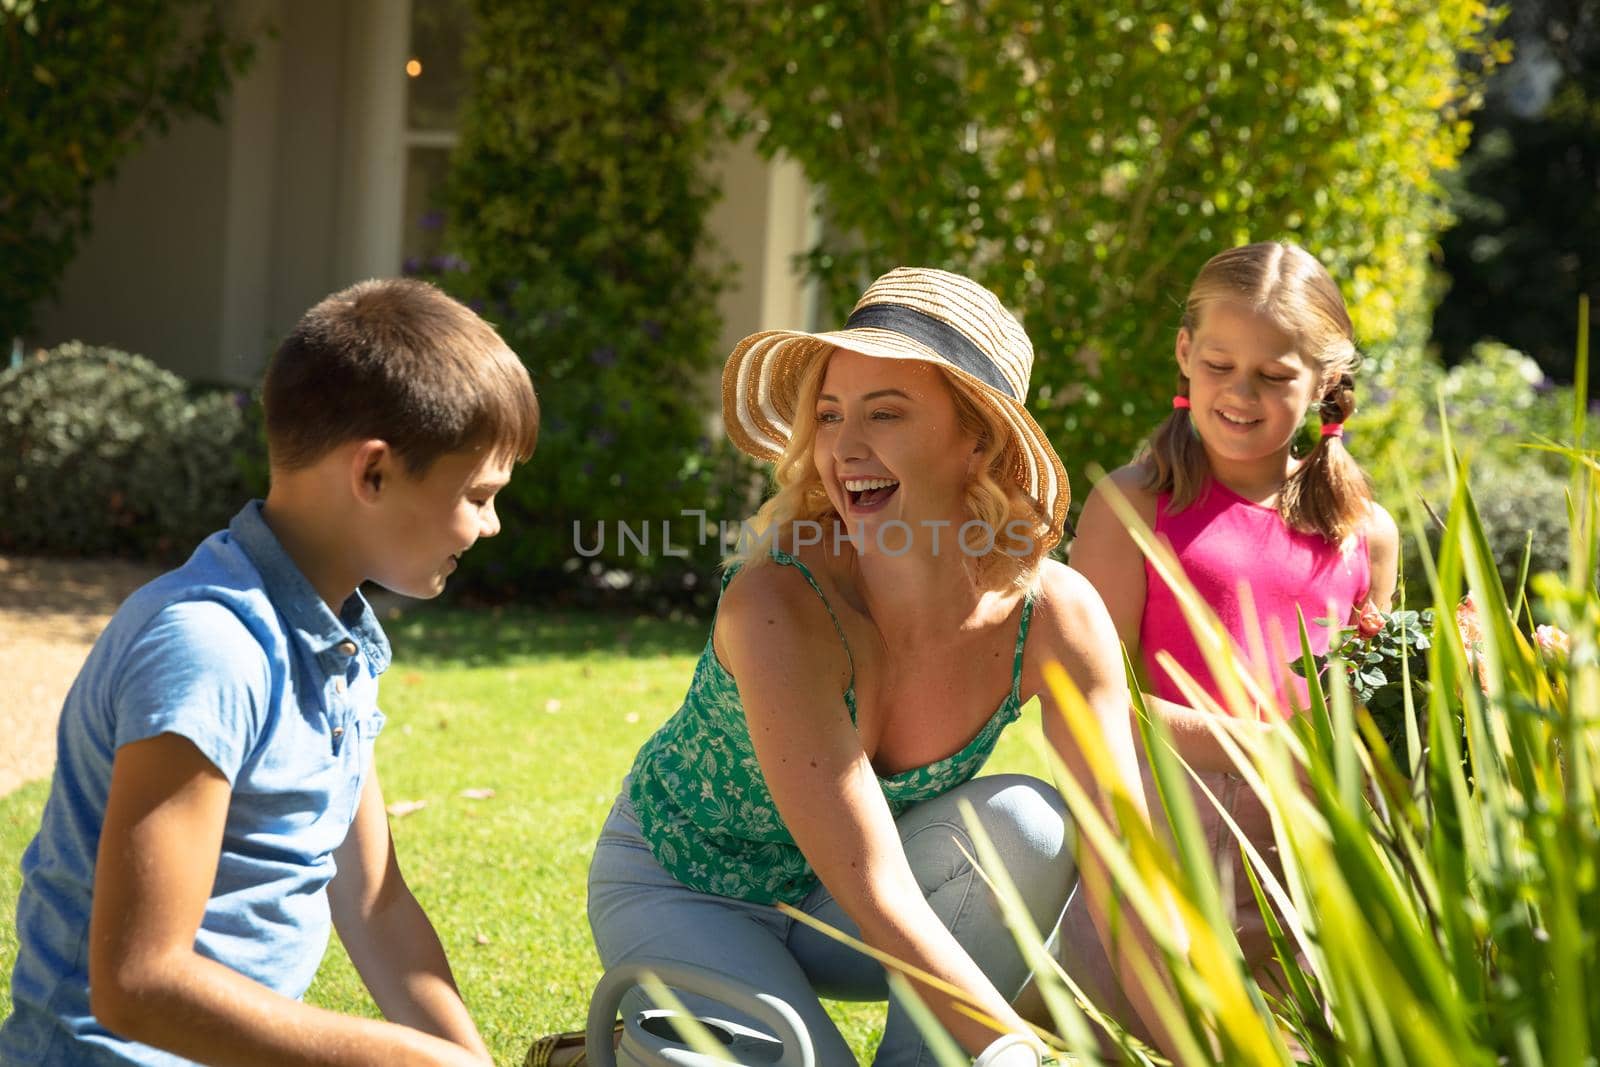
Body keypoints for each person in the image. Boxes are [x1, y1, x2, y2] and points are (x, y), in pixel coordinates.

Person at [559, 268, 1172, 1067]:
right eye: (829, 414)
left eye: (885, 413)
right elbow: (878, 890)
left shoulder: (1056, 615)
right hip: (688, 886)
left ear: (978, 437)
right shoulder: (778, 602)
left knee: (1030, 822)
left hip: (840, 909)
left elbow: (1126, 868)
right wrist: (1027, 1053)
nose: (845, 449)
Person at [0, 278, 539, 1066]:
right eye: (479, 495)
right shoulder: (210, 650)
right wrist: (406, 1060)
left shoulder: (334, 640)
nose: (490, 524)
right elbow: (136, 982)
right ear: (374, 473)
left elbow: (373, 901)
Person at [1062, 240, 1399, 1020]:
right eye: (1219, 364)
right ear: (1184, 354)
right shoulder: (1132, 507)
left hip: (1307, 843)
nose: (1240, 393)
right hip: (1171, 831)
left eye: (1276, 376)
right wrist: (1264, 751)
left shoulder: (1366, 534)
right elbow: (1096, 706)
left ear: (1326, 384)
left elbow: (1371, 707)